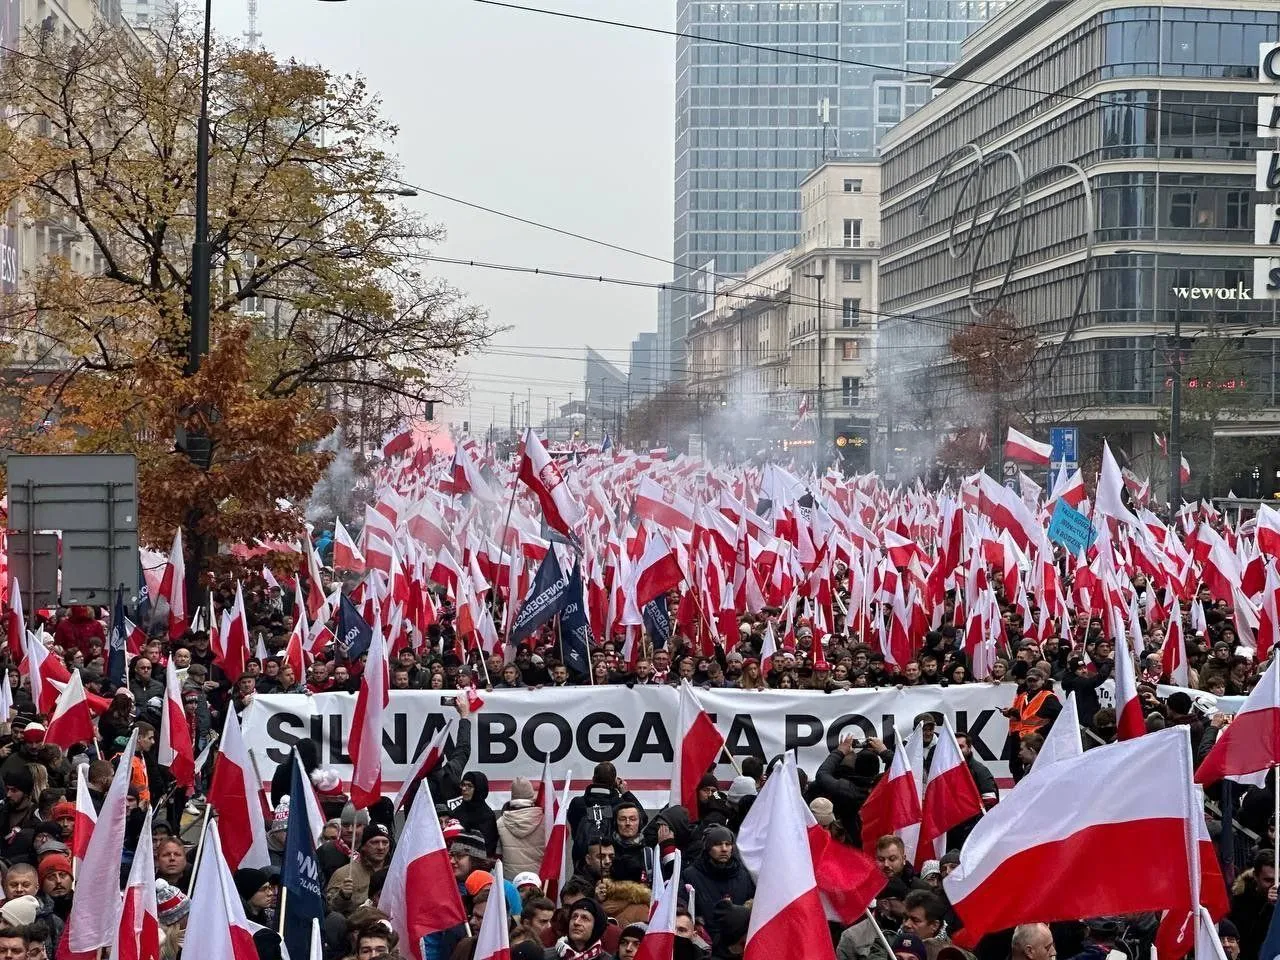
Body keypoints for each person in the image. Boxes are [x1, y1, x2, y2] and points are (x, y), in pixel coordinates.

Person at [680, 824, 755, 940]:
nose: (724, 849)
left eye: (728, 844)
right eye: (718, 844)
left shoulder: (744, 875)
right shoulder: (691, 875)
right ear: (708, 848)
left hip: (738, 944)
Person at [326, 823, 394, 916]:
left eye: (385, 842)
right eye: (374, 842)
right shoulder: (345, 874)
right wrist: (342, 896)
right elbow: (328, 910)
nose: (380, 847)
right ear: (363, 846)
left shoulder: (395, 872)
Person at [1230, 848, 1276, 960]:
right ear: (1255, 876)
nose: (1274, 885)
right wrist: (1269, 907)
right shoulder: (1241, 900)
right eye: (1268, 880)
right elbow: (1248, 941)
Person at [497, 776, 546, 877]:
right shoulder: (544, 821)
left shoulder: (500, 823)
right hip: (537, 879)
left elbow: (498, 854)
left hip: (511, 881)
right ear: (531, 795)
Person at [455, 771, 500, 857]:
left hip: (478, 864)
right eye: (463, 785)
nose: (464, 789)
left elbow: (488, 848)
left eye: (469, 786)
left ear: (479, 789)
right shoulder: (457, 812)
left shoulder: (487, 816)